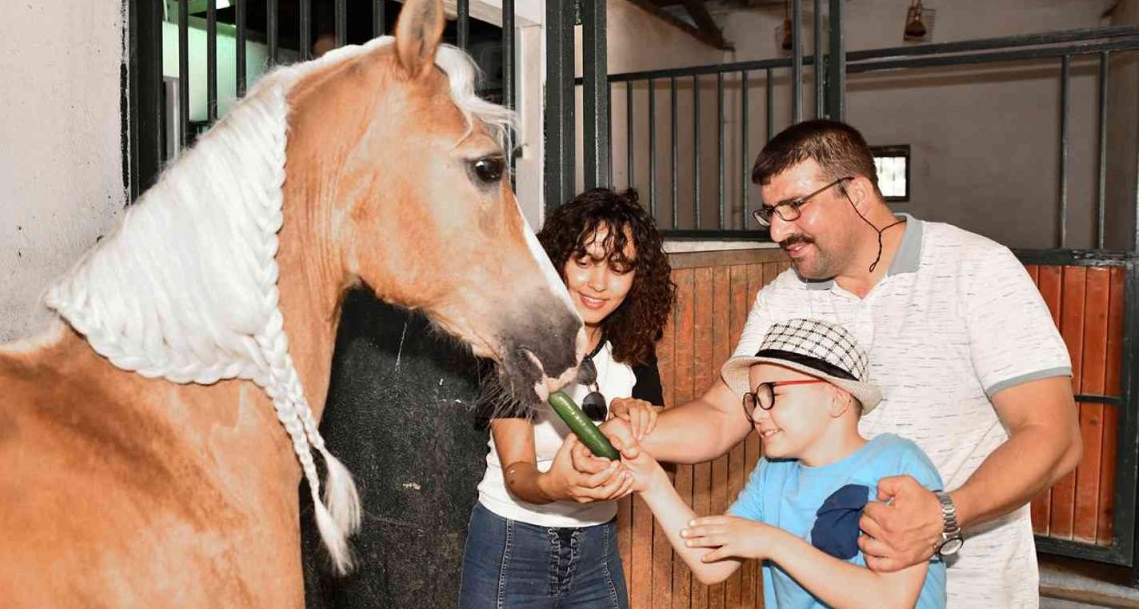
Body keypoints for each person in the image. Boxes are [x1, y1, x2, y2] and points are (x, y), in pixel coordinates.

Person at [598, 119, 1081, 608]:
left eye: (794, 207)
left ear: (856, 191)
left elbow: (1052, 436)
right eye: (770, 212)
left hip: (974, 588)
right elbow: (723, 416)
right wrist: (623, 436)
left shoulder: (976, 269)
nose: (779, 230)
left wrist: (944, 515)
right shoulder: (782, 298)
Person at [626, 318, 946, 608]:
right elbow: (710, 562)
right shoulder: (772, 473)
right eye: (752, 399)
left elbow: (889, 601)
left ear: (836, 398)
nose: (757, 414)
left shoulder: (898, 463)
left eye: (771, 394)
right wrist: (652, 481)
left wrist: (771, 542)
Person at [457, 187, 675, 609]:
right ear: (558, 260)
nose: (598, 283)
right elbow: (518, 473)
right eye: (585, 261)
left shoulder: (634, 345)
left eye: (618, 267)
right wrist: (553, 485)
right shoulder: (518, 339)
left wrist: (642, 419)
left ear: (637, 277)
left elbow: (662, 455)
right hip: (511, 546)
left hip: (598, 549)